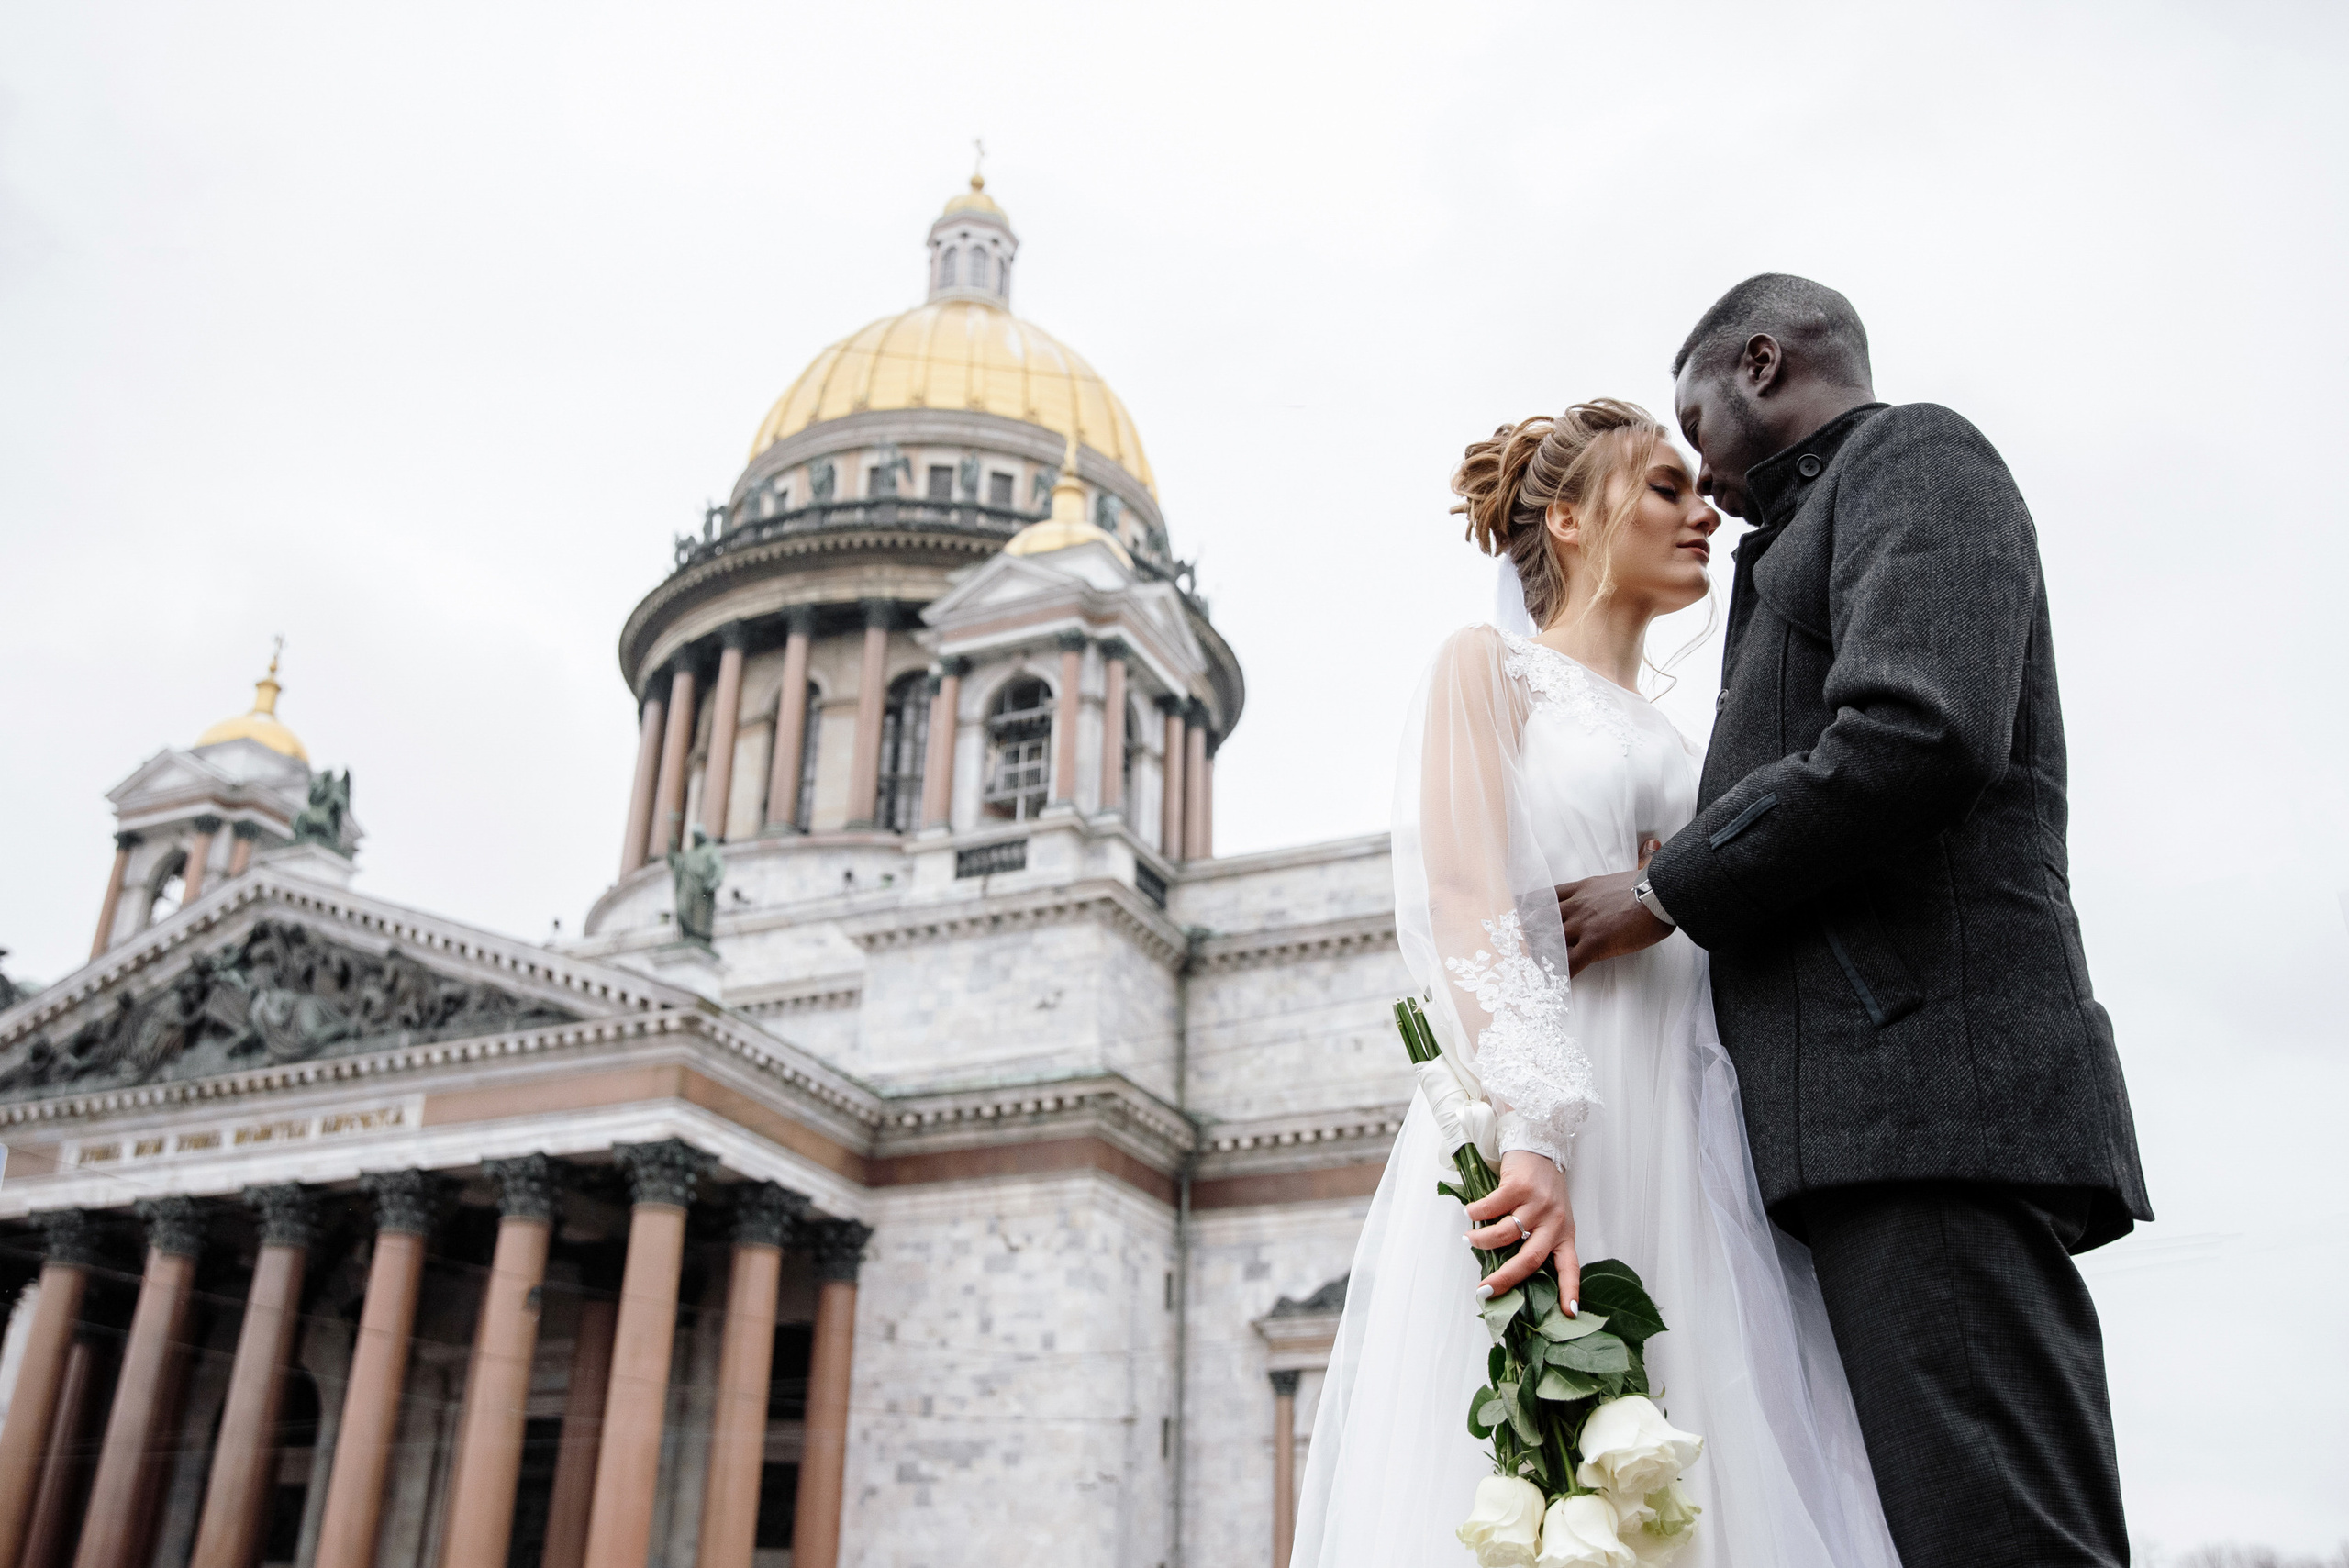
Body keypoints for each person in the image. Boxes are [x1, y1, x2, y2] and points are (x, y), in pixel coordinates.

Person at [1555, 276, 2150, 1568]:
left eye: (1693, 413)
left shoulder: (1918, 455)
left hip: (1927, 1103)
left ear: (1761, 361)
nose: (1696, 471)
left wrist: (1667, 890)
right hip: (1862, 1126)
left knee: (2001, 1536)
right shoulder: (1814, 529)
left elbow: (1916, 730)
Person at [1292, 400, 1899, 1568]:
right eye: (1666, 487)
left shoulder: (1688, 741)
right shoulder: (1488, 671)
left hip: (1696, 1115)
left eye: (1697, 488)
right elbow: (1468, 904)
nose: (1705, 508)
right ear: (1567, 519)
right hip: (1562, 1116)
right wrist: (1534, 1135)